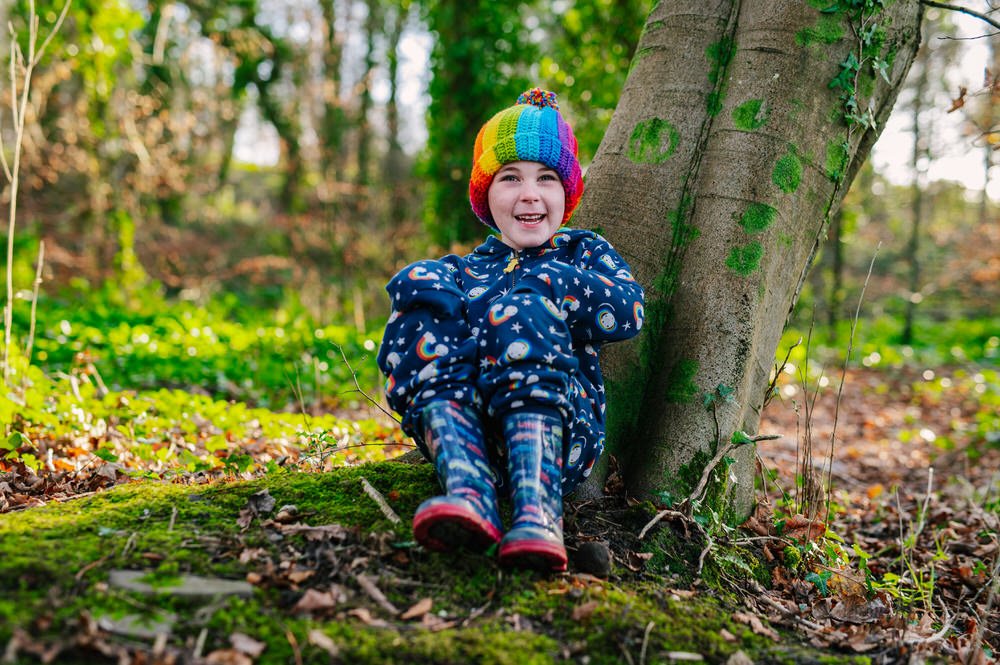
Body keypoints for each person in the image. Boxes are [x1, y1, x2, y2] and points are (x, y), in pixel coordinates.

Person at [376, 88, 644, 572]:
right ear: (486, 194)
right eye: (510, 178)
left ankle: (538, 514)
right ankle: (469, 491)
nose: (530, 193)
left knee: (521, 312)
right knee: (420, 281)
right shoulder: (460, 273)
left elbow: (628, 310)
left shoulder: (581, 252)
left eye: (547, 178)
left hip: (560, 431)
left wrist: (544, 283)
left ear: (567, 193)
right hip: (466, 432)